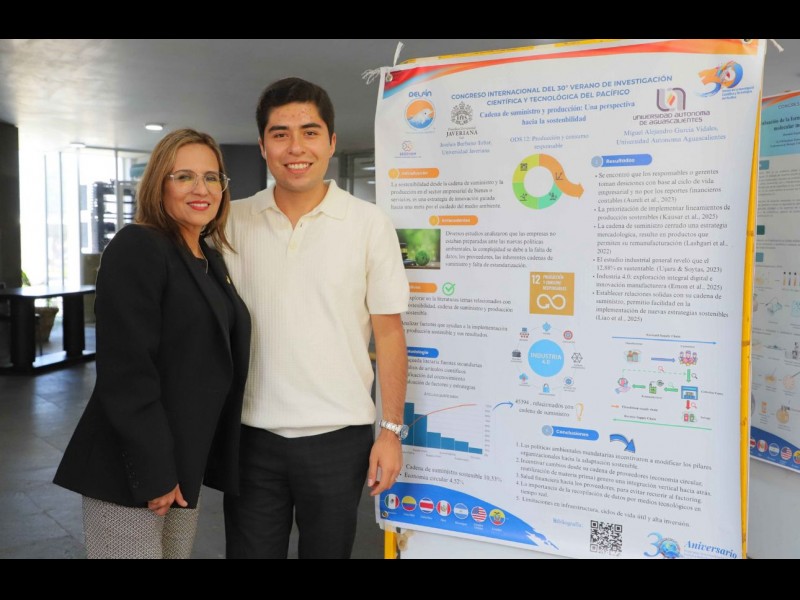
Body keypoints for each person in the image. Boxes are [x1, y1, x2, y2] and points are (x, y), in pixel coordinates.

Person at [222, 77, 409, 559]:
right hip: (250, 436)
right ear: (262, 145)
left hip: (338, 439)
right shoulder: (230, 221)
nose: (295, 147)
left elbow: (390, 334)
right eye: (280, 134)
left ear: (331, 141)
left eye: (309, 132)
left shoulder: (369, 224)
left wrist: (390, 432)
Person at [53, 129, 251, 559]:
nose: (201, 189)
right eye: (184, 176)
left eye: (211, 177)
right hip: (134, 464)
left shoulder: (209, 257)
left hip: (183, 459)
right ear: (159, 184)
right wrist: (155, 469)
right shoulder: (138, 245)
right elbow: (127, 371)